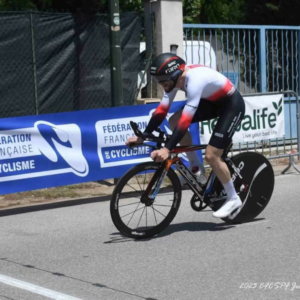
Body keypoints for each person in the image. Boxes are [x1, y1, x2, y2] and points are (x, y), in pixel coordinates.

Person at [126, 53, 245, 218]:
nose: (160, 84)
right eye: (157, 81)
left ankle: (233, 198)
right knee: (172, 120)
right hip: (211, 102)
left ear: (175, 75)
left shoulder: (194, 81)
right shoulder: (174, 81)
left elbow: (186, 121)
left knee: (212, 155)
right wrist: (143, 136)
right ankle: (196, 166)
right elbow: (162, 111)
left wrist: (168, 149)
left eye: (162, 80)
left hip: (231, 105)